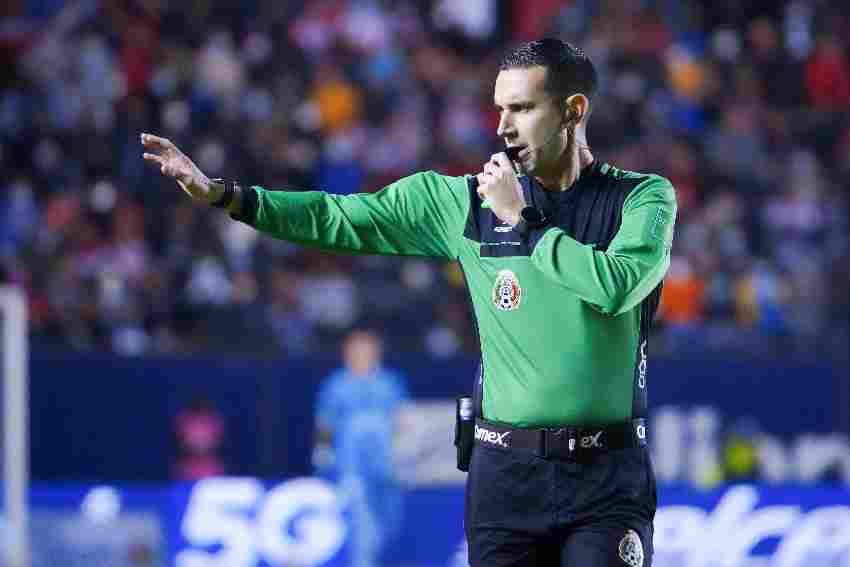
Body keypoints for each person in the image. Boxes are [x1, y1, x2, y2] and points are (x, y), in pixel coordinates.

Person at [142, 38, 677, 567]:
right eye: (499, 109)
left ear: (573, 110)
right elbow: (339, 217)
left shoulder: (639, 197)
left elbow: (616, 285)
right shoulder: (463, 203)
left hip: (605, 480)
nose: (503, 126)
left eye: (522, 108)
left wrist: (524, 224)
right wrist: (227, 195)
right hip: (505, 479)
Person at [313, 329, 408, 567]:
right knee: (362, 521)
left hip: (388, 466)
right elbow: (325, 422)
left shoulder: (390, 382)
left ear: (377, 352)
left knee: (390, 522)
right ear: (346, 353)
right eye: (355, 349)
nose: (361, 354)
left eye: (366, 349)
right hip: (352, 466)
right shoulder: (336, 384)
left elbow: (403, 420)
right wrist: (322, 451)